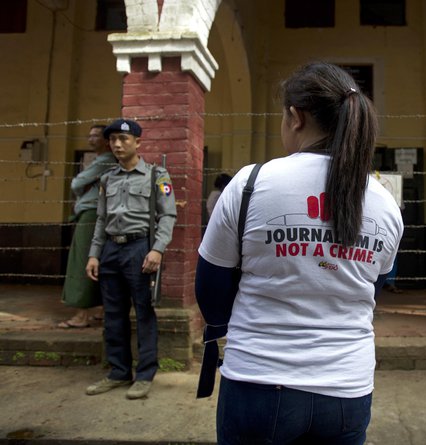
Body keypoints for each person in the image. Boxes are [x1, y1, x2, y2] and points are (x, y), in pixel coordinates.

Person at [196, 62, 404, 444]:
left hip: (259, 380)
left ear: (295, 117)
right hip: (347, 387)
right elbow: (373, 289)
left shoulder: (250, 184)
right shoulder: (385, 203)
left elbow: (211, 290)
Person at [84, 119, 177, 400]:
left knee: (144, 312)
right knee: (113, 315)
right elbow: (101, 219)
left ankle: (145, 374)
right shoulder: (107, 179)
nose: (117, 144)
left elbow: (168, 215)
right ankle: (118, 372)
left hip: (140, 249)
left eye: (124, 139)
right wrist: (93, 254)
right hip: (111, 250)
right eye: (113, 139)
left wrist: (157, 249)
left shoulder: (157, 176)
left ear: (138, 142)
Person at [58, 125, 116, 328]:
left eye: (96, 136)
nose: (90, 139)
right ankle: (99, 309)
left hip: (91, 214)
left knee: (82, 260)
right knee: (97, 259)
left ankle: (81, 315)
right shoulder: (104, 161)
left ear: (107, 140)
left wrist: (83, 184)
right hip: (99, 214)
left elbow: (76, 183)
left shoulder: (105, 160)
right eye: (89, 135)